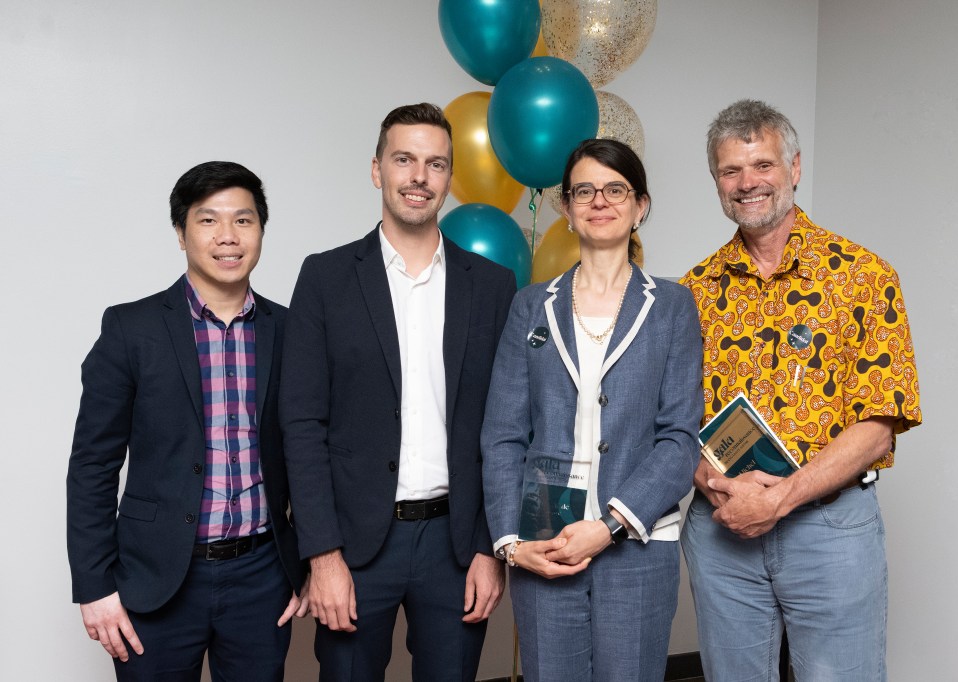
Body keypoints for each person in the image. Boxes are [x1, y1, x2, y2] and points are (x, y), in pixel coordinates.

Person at [680, 99, 923, 681]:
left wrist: (779, 498)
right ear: (716, 181)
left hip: (830, 530)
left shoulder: (863, 276)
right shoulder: (692, 291)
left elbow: (880, 423)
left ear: (793, 167)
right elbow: (670, 419)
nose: (747, 183)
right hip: (722, 528)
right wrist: (711, 483)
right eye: (731, 170)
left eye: (762, 164)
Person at [280, 102, 517, 681]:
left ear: (449, 177)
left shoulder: (492, 286)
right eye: (404, 159)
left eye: (435, 164)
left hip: (456, 545)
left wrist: (489, 548)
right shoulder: (325, 278)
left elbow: (508, 426)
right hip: (354, 547)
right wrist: (322, 555)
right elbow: (301, 424)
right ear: (376, 169)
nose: (419, 177)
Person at [66, 161, 308, 681]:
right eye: (208, 220)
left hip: (262, 578)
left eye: (243, 220)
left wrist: (308, 564)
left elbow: (312, 451)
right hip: (155, 580)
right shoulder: (131, 329)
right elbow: (92, 465)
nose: (228, 236)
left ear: (261, 230)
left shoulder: (291, 330)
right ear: (181, 233)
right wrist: (94, 587)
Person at [481, 138, 704, 682]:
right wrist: (510, 542)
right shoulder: (530, 305)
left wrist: (608, 526)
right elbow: (503, 434)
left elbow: (680, 438)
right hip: (544, 538)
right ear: (566, 206)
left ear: (640, 206)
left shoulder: (673, 306)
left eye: (615, 190)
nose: (599, 201)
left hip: (639, 542)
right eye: (584, 190)